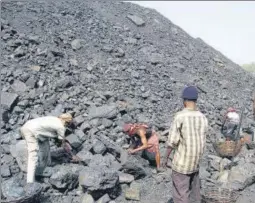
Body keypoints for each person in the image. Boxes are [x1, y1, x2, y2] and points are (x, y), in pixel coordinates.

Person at [162, 86, 208, 203]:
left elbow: (172, 141)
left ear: (184, 100)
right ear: (196, 100)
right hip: (195, 163)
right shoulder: (203, 117)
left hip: (182, 165)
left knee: (181, 195)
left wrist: (165, 158)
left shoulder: (180, 116)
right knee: (194, 193)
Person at [20, 113, 79, 183]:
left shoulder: (54, 119)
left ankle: (44, 168)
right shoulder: (61, 127)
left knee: (46, 145)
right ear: (67, 122)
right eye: (69, 125)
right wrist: (71, 155)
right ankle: (30, 181)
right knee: (33, 155)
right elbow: (62, 143)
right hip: (30, 131)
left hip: (30, 127)